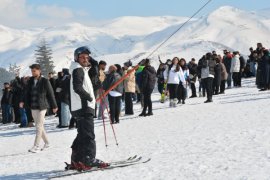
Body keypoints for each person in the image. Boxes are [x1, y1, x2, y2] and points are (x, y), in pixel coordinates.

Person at [69, 46, 108, 169]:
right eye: (82, 57)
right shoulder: (78, 70)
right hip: (84, 107)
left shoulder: (78, 69)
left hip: (79, 107)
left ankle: (77, 159)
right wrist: (89, 98)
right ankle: (89, 159)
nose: (85, 59)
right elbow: (77, 87)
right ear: (76, 58)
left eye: (87, 57)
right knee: (89, 135)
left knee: (82, 134)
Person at [20, 64, 58, 153]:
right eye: (32, 71)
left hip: (42, 107)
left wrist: (54, 106)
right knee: (39, 126)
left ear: (39, 71)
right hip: (33, 106)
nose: (33, 73)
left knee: (38, 126)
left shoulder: (45, 81)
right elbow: (26, 92)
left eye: (34, 71)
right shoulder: (30, 81)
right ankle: (47, 143)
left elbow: (51, 94)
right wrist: (22, 101)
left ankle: (36, 146)